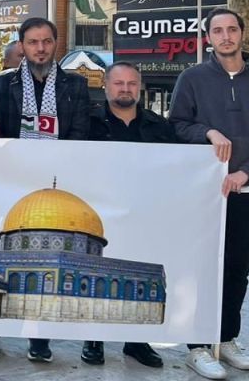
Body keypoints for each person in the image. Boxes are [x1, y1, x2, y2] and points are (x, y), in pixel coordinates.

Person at [170, 8, 249, 380]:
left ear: (242, 34)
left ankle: (226, 337)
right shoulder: (192, 79)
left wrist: (247, 172)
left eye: (232, 29)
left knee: (237, 270)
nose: (226, 36)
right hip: (207, 193)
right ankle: (198, 346)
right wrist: (208, 133)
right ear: (208, 38)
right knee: (204, 268)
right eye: (218, 30)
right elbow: (178, 125)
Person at [0, 17, 90, 362]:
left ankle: (39, 338)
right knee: (1, 259)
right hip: (11, 181)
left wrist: (55, 169)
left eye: (46, 41)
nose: (40, 48)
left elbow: (80, 133)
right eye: (33, 42)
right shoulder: (0, 84)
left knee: (46, 263)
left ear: (55, 44)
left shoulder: (75, 84)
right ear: (22, 46)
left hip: (56, 186)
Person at [78, 62, 170, 369]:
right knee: (98, 274)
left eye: (132, 83)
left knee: (139, 275)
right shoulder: (87, 123)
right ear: (106, 87)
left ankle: (136, 342)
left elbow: (180, 167)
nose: (126, 89)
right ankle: (94, 338)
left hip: (144, 213)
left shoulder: (159, 127)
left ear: (140, 88)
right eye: (119, 83)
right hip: (99, 212)